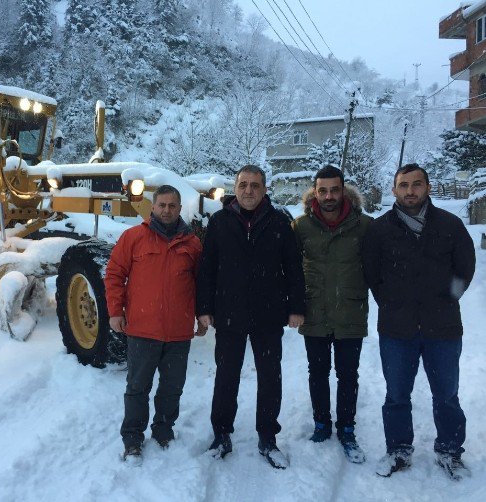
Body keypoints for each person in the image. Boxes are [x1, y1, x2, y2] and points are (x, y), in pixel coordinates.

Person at [362, 163, 476, 480]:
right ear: (394, 190)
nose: (410, 191)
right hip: (397, 329)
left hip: (443, 328)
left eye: (416, 184)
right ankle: (399, 450)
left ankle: (450, 451)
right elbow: (372, 274)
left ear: (427, 187)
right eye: (403, 185)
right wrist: (390, 301)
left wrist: (448, 299)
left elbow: (465, 268)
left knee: (446, 395)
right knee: (397, 395)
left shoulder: (450, 225)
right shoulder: (380, 230)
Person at [196, 164, 305, 469]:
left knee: (270, 378)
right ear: (236, 187)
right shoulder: (219, 222)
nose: (248, 191)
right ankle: (221, 434)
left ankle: (268, 437)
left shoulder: (280, 222)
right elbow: (207, 269)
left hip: (269, 314)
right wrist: (204, 308)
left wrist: (297, 307)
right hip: (229, 314)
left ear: (264, 189)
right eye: (243, 184)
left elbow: (294, 268)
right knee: (226, 377)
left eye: (255, 185)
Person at [105, 184, 203, 465]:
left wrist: (202, 316)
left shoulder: (192, 244)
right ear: (153, 207)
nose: (167, 210)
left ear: (180, 208)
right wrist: (115, 311)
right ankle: (133, 438)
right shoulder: (134, 237)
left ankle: (163, 429)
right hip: (142, 330)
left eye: (172, 206)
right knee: (137, 387)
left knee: (172, 388)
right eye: (162, 205)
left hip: (178, 332)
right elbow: (114, 275)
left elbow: (201, 285)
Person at [291, 165, 372, 464]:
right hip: (315, 312)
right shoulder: (301, 227)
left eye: (334, 190)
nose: (328, 196)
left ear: (343, 190)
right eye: (322, 190)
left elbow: (377, 270)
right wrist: (293, 305)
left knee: (348, 375)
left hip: (351, 312)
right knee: (318, 373)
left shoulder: (364, 226)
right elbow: (290, 270)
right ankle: (322, 424)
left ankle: (347, 428)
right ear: (315, 191)